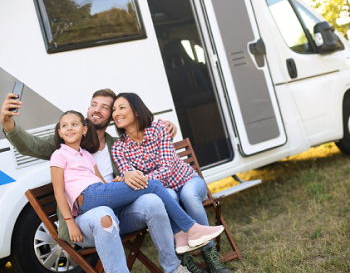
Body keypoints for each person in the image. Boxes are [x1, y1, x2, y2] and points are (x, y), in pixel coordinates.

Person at [1, 89, 191, 273]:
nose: (96, 109)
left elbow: (144, 161)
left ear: (112, 116)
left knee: (153, 202)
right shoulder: (69, 143)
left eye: (105, 107)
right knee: (103, 214)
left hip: (120, 211)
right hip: (86, 220)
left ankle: (173, 268)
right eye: (93, 104)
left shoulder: (118, 145)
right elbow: (29, 145)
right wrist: (7, 122)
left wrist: (164, 127)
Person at [51, 110, 224, 254]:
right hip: (87, 197)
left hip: (98, 193)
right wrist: (69, 222)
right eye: (64, 126)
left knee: (150, 191)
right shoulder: (59, 155)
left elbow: (102, 184)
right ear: (59, 132)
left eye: (74, 124)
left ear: (85, 130)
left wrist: (117, 185)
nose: (69, 129)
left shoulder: (86, 155)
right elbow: (59, 191)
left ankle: (184, 236)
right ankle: (191, 229)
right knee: (154, 185)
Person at [111, 93, 230, 273]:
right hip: (165, 190)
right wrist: (131, 177)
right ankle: (186, 260)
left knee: (188, 196)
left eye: (121, 107)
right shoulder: (119, 148)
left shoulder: (159, 128)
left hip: (188, 180)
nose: (116, 113)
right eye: (114, 109)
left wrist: (143, 179)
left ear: (136, 111)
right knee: (169, 198)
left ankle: (210, 255)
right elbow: (129, 176)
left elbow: (167, 169)